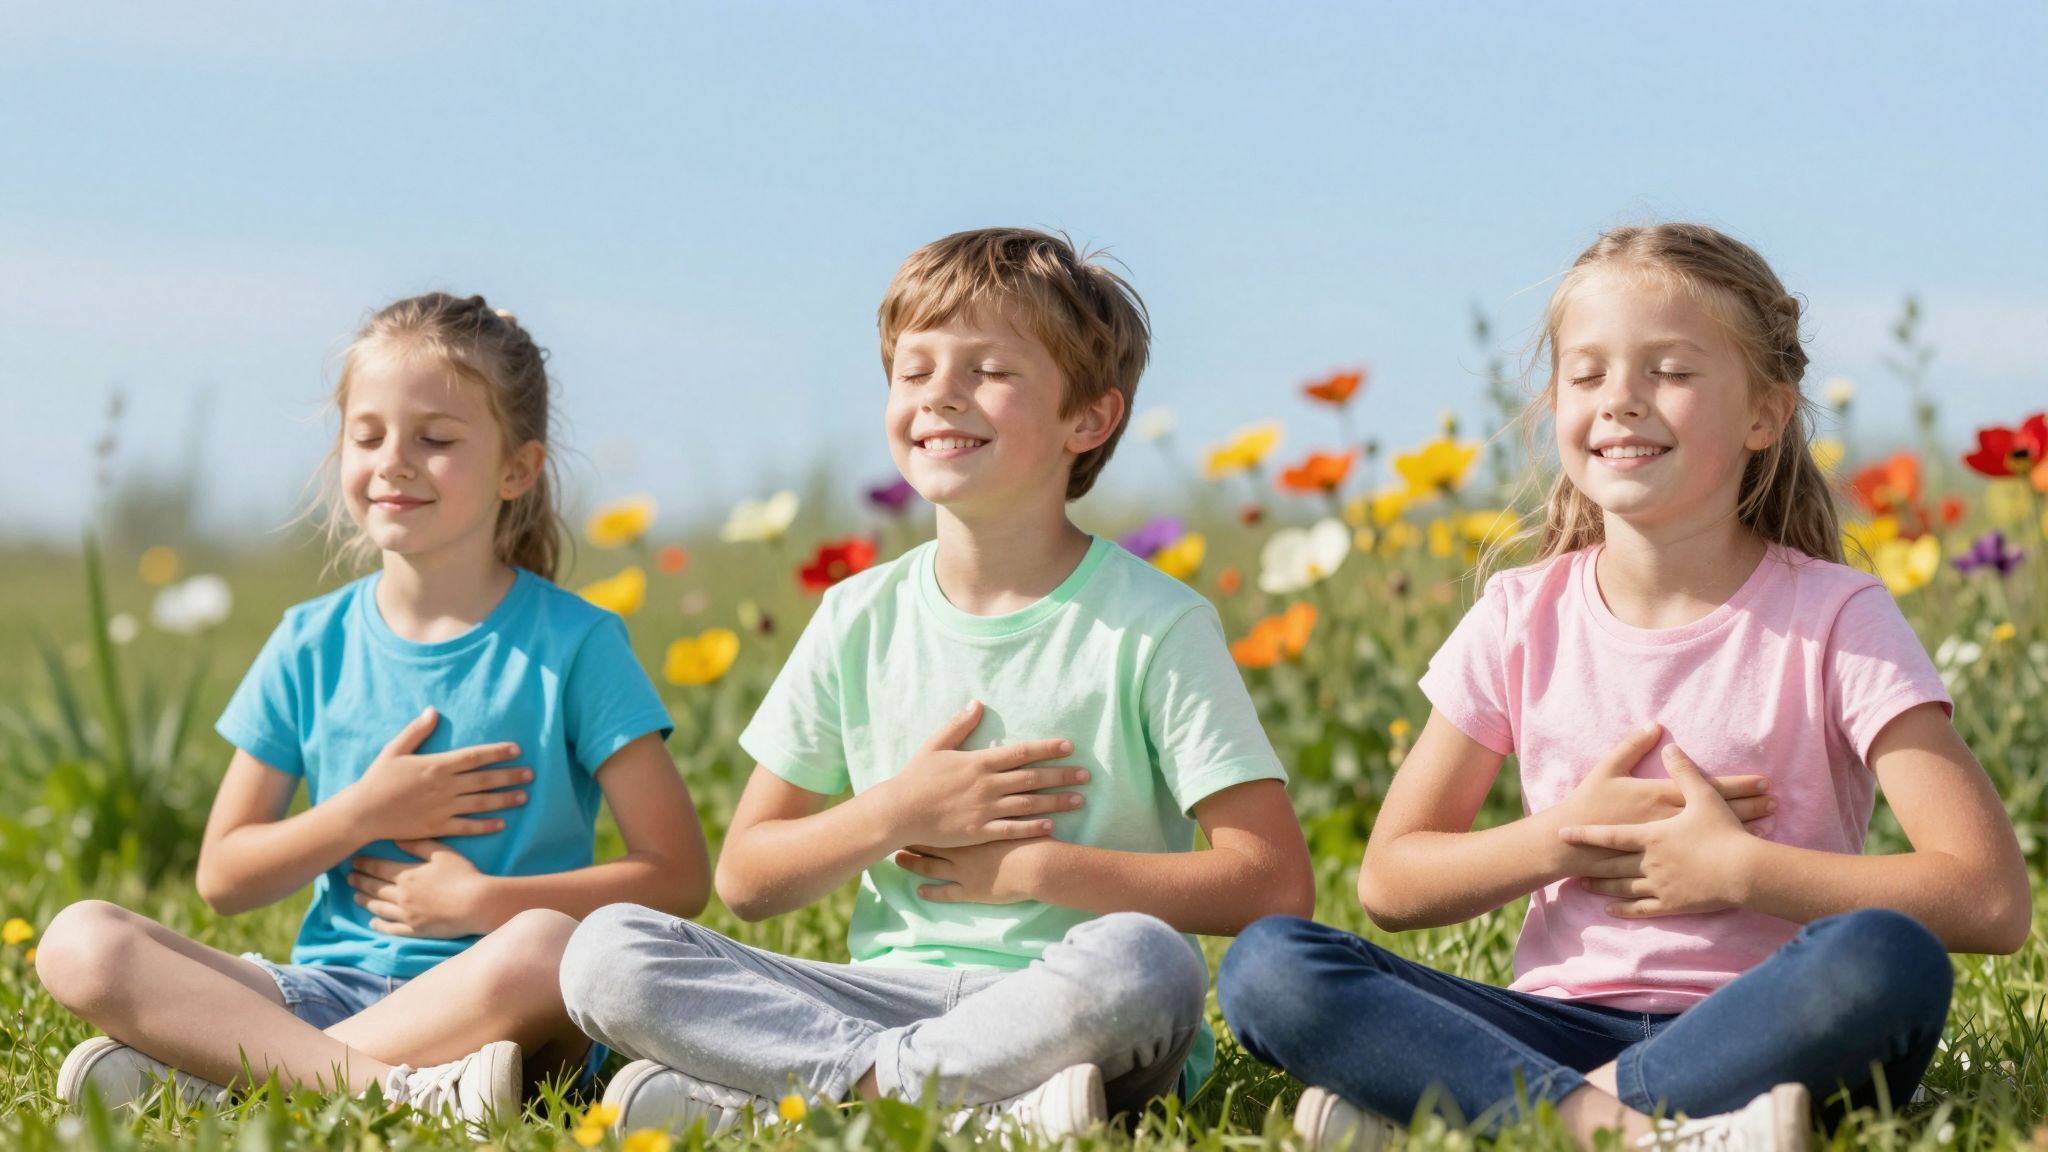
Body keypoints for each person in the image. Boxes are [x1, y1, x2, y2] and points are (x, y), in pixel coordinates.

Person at [1219, 223, 2030, 1152]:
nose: (1622, 401)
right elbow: (1393, 881)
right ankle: (1639, 1130)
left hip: (1764, 1026)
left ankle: (1506, 1120)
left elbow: (1989, 898)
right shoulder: (1519, 616)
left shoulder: (1839, 617)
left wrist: (1740, 871)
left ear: (1764, 415)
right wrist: (1561, 837)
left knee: (1885, 957)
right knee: (1270, 966)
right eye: (1587, 374)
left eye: (1671, 371)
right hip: (1551, 1027)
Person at [557, 228, 1315, 1138]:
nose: (938, 395)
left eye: (986, 370)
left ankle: (806, 1100)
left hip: (1063, 1003)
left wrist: (1033, 871)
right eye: (913, 370)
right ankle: (959, 1106)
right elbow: (750, 877)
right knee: (606, 952)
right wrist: (897, 811)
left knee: (1148, 964)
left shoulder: (1156, 624)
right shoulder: (855, 616)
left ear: (1088, 419)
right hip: (878, 1000)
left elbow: (1272, 883)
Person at [38, 292, 711, 1127]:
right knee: (79, 940)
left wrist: (479, 902)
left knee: (547, 946)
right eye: (367, 436)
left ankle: (246, 1074)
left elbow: (677, 877)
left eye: (435, 440)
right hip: (327, 990)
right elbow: (225, 878)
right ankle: (390, 1088)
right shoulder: (308, 641)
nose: (394, 461)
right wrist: (363, 812)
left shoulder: (576, 644)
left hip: (502, 997)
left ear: (517, 469)